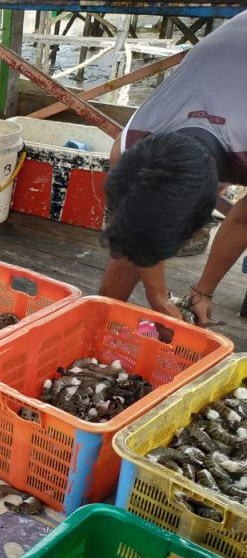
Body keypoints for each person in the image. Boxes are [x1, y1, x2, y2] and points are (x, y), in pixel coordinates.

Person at [98, 12, 247, 326]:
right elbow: (135, 231)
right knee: (137, 225)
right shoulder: (132, 142)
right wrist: (158, 296)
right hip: (227, 62)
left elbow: (244, 218)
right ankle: (99, 320)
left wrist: (204, 290)